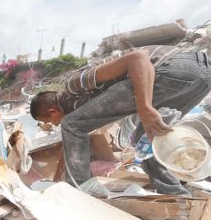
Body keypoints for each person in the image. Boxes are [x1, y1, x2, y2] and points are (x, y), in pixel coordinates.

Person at [30, 46, 211, 195]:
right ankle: (174, 192)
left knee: (71, 124)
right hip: (203, 76)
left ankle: (80, 190)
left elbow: (138, 59)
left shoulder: (73, 85)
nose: (54, 125)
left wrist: (145, 108)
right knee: (147, 136)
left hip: (173, 68)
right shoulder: (78, 107)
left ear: (52, 111)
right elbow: (72, 146)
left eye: (49, 121)